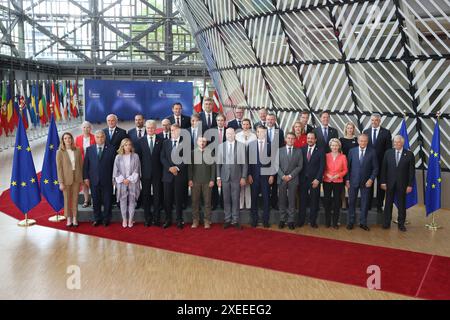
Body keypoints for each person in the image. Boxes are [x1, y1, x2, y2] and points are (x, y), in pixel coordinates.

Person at [380, 135, 415, 232]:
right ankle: (386, 223)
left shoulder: (409, 154)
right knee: (388, 204)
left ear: (402, 143)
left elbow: (411, 172)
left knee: (401, 204)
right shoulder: (388, 153)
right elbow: (384, 169)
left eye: (398, 142)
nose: (396, 144)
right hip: (389, 183)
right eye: (394, 142)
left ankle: (401, 224)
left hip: (403, 184)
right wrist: (383, 182)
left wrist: (410, 185)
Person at [83, 130, 116, 227]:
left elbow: (115, 165)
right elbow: (86, 165)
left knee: (107, 200)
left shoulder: (112, 149)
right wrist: (86, 178)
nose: (100, 139)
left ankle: (106, 219)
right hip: (94, 180)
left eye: (102, 137)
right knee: (96, 200)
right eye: (98, 137)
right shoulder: (89, 149)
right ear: (95, 138)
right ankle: (97, 218)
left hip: (107, 180)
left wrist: (114, 179)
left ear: (105, 138)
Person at [346, 134, 379, 231]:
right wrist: (347, 180)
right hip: (353, 181)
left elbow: (376, 168)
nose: (363, 142)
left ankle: (363, 222)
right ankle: (351, 222)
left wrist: (371, 179)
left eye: (365, 141)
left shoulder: (372, 152)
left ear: (367, 141)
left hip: (366, 182)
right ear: (358, 141)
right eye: (361, 140)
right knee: (351, 202)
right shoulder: (352, 151)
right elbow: (348, 167)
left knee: (365, 203)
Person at [217, 128, 247, 229]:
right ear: (225, 135)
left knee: (235, 199)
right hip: (224, 177)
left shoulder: (241, 146)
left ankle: (235, 220)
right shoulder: (221, 146)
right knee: (226, 199)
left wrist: (243, 177)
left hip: (236, 177)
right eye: (227, 133)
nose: (229, 135)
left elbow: (245, 164)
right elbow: (218, 164)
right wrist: (218, 178)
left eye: (231, 133)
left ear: (235, 134)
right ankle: (227, 219)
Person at [363, 113, 392, 213]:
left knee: (381, 185)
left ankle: (379, 205)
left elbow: (388, 150)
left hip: (382, 163)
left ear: (379, 121)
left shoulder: (386, 132)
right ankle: (368, 204)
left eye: (376, 120)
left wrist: (386, 163)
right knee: (368, 185)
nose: (374, 122)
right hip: (369, 164)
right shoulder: (365, 132)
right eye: (372, 120)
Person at [160, 124, 188, 229]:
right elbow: (162, 157)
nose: (173, 132)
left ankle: (179, 220)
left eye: (175, 130)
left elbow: (186, 159)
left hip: (179, 175)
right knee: (167, 199)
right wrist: (170, 168)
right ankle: (168, 219)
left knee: (178, 199)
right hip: (168, 175)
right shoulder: (165, 142)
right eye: (172, 130)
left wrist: (177, 168)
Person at [248, 125, 275, 228]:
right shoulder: (251, 145)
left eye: (264, 132)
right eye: (259, 132)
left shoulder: (270, 145)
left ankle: (265, 220)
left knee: (266, 199)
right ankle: (254, 220)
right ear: (257, 133)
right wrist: (249, 174)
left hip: (266, 177)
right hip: (254, 177)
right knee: (254, 199)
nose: (261, 133)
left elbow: (273, 162)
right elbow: (248, 161)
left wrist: (272, 175)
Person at [137, 120, 163, 227]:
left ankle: (156, 218)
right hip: (145, 174)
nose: (150, 130)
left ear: (155, 128)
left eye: (152, 128)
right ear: (145, 128)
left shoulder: (162, 140)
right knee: (146, 195)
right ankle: (147, 218)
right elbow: (139, 158)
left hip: (158, 173)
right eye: (148, 128)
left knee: (157, 196)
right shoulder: (141, 141)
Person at [299, 132, 325, 228]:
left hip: (315, 181)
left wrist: (318, 179)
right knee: (302, 201)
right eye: (308, 138)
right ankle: (301, 220)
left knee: (314, 201)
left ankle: (312, 221)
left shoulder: (321, 151)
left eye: (312, 138)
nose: (310, 140)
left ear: (315, 140)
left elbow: (322, 167)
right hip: (303, 180)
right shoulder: (302, 149)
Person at [277, 132, 303, 230]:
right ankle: (282, 219)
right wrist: (283, 176)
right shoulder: (279, 150)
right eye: (289, 138)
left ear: (295, 140)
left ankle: (291, 220)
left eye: (292, 138)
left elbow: (300, 166)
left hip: (293, 179)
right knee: (282, 200)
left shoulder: (299, 151)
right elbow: (276, 165)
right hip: (282, 179)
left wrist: (291, 175)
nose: (290, 140)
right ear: (285, 139)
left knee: (292, 200)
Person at [56, 132, 83, 227]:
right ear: (63, 140)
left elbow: (81, 165)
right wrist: (61, 182)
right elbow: (59, 169)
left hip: (76, 178)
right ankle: (68, 218)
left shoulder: (78, 150)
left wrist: (82, 178)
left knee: (75, 199)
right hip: (66, 179)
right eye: (65, 138)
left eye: (69, 138)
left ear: (72, 139)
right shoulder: (59, 152)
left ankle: (75, 217)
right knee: (67, 200)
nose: (67, 140)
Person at [188, 136, 216, 229]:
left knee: (207, 202)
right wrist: (190, 179)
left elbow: (213, 167)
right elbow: (190, 168)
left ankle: (207, 221)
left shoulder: (210, 152)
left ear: (206, 143)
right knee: (195, 202)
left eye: (204, 141)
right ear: (197, 142)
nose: (202, 143)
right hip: (195, 182)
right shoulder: (192, 153)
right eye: (200, 141)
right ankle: (195, 220)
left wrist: (212, 179)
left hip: (207, 182)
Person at [113, 138, 141, 228]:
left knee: (132, 201)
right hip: (121, 182)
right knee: (123, 201)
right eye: (125, 145)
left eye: (129, 145)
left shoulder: (135, 156)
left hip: (132, 181)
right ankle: (124, 219)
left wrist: (129, 179)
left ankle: (130, 220)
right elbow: (116, 170)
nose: (128, 146)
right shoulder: (118, 157)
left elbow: (137, 169)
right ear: (122, 146)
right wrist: (123, 180)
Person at [323, 138, 348, 229]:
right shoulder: (326, 156)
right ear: (330, 146)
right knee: (327, 201)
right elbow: (323, 168)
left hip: (338, 182)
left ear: (339, 146)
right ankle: (327, 222)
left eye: (336, 145)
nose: (334, 147)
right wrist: (327, 174)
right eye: (333, 145)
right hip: (327, 181)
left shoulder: (343, 157)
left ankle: (335, 222)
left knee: (337, 202)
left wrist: (339, 175)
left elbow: (345, 170)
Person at [235, 118, 256, 210]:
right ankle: (240, 205)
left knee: (248, 184)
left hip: (251, 161)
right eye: (244, 124)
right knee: (241, 183)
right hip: (240, 162)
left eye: (247, 124)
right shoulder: (237, 135)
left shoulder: (254, 136)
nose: (246, 126)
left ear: (250, 125)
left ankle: (248, 205)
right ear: (241, 125)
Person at [75, 121, 95, 208]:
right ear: (81, 128)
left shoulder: (94, 137)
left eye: (88, 127)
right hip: (82, 163)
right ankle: (86, 200)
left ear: (90, 128)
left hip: (93, 163)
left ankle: (95, 200)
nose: (86, 129)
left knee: (93, 183)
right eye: (84, 127)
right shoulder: (78, 138)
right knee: (84, 183)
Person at [266, 113, 284, 210]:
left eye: (272, 119)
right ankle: (267, 203)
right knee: (266, 185)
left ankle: (274, 203)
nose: (270, 121)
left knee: (275, 184)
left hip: (276, 161)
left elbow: (281, 147)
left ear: (275, 120)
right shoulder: (262, 131)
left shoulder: (280, 132)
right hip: (265, 163)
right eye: (268, 119)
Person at [211, 113, 227, 210]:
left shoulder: (229, 130)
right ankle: (215, 202)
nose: (220, 122)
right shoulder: (211, 131)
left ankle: (222, 203)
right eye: (218, 120)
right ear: (216, 121)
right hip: (214, 159)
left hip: (226, 160)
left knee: (224, 181)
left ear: (224, 121)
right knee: (215, 180)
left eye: (222, 120)